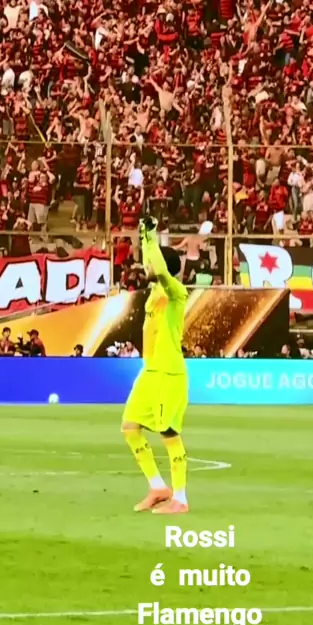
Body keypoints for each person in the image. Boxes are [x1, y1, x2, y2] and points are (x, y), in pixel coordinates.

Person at [121, 216, 189, 515]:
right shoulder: (154, 294)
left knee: (168, 434)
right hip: (149, 371)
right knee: (129, 427)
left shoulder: (176, 292)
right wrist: (144, 236)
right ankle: (158, 487)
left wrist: (150, 236)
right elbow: (154, 264)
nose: (146, 266)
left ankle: (181, 499)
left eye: (151, 262)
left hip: (168, 372)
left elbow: (159, 268)